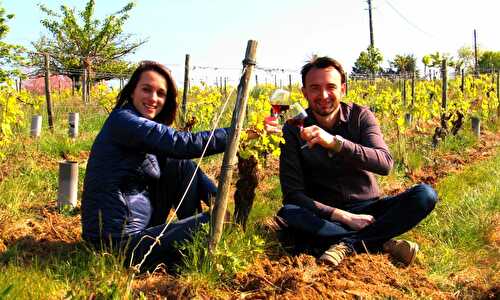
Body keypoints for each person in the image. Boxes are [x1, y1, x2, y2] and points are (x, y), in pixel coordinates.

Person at [81, 60, 276, 272]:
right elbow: (183, 144)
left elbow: (182, 164)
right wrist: (241, 132)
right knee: (209, 226)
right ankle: (206, 232)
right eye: (146, 89)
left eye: (161, 93)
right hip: (116, 244)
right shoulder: (124, 120)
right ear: (132, 92)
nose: (153, 98)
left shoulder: (138, 125)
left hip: (139, 225)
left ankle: (214, 220)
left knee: (181, 166)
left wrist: (217, 201)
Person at [276, 56, 438, 267]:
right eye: (315, 88)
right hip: (326, 214)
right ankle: (383, 243)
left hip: (369, 208)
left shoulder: (361, 117)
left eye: (331, 87)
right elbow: (293, 194)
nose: (323, 95)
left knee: (425, 195)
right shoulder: (293, 128)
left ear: (343, 89)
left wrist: (336, 143)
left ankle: (347, 244)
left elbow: (384, 163)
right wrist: (344, 216)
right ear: (304, 92)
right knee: (289, 213)